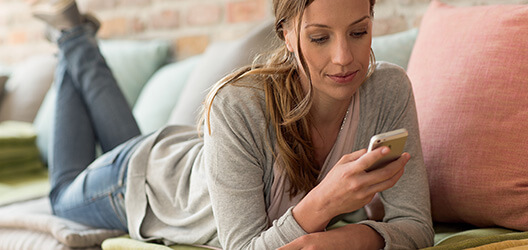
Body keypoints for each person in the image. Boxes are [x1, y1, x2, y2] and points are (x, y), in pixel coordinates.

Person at [31, 0, 434, 248]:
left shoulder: (389, 89)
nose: (345, 57)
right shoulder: (238, 104)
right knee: (62, 193)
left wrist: (351, 240)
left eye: (359, 32)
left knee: (131, 140)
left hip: (190, 161)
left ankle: (74, 38)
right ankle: (72, 39)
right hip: (143, 182)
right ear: (287, 35)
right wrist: (324, 202)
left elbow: (417, 226)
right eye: (319, 38)